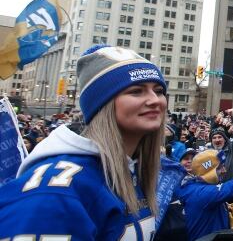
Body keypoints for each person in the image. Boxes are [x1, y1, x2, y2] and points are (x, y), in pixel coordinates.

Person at [0, 45, 167, 240]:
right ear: (102, 103)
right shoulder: (55, 189)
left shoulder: (137, 172)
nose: (155, 100)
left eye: (159, 90)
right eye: (136, 91)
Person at [179, 133, 233, 240]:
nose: (224, 171)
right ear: (207, 171)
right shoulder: (203, 193)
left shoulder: (194, 186)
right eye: (219, 168)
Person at [207, 108, 233, 181]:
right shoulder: (207, 153)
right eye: (214, 138)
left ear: (225, 139)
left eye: (220, 137)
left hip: (232, 188)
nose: (217, 140)